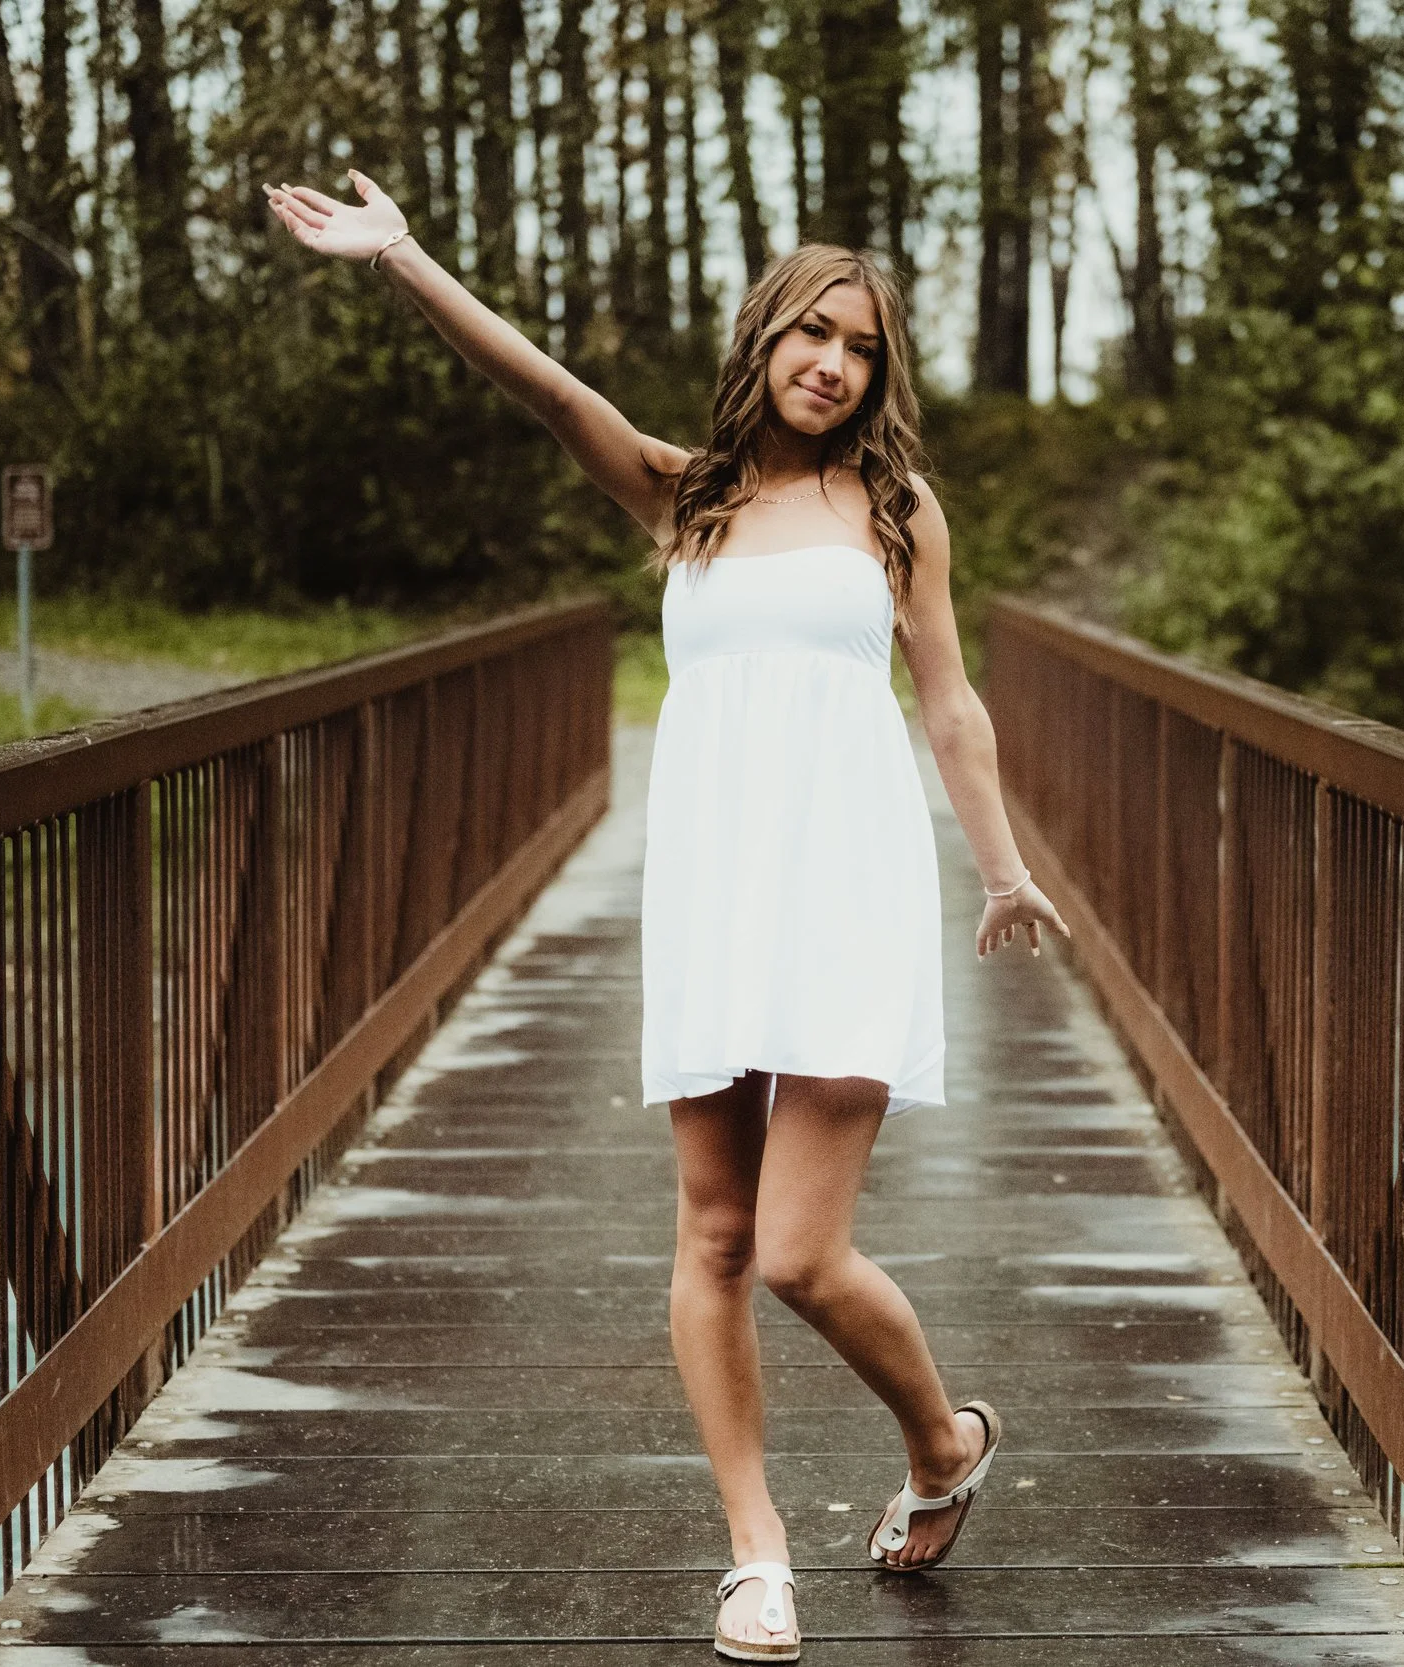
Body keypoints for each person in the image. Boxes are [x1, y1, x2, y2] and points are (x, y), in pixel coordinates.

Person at [267, 171, 1073, 1663]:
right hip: (714, 885)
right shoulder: (684, 489)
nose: (833, 363)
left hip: (847, 884)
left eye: (862, 348)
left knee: (799, 1254)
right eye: (812, 334)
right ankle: (757, 1554)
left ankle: (945, 1440)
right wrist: (403, 262)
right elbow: (541, 388)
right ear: (765, 338)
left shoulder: (898, 511)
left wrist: (1005, 863)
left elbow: (951, 701)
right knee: (712, 1231)